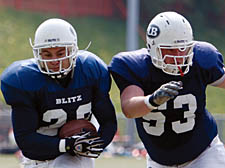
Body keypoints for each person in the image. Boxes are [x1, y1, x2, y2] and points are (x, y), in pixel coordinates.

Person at [109, 11, 225, 167]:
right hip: (159, 160)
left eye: (182, 48)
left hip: (204, 154)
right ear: (152, 47)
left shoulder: (202, 58)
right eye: (170, 50)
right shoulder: (135, 66)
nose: (178, 55)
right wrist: (152, 100)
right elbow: (129, 108)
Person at [1, 18, 117, 168]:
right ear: (38, 54)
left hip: (76, 157)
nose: (55, 60)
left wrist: (93, 145)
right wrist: (69, 144)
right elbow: (26, 140)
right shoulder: (24, 80)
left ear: (73, 50)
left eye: (61, 52)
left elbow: (108, 122)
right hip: (39, 157)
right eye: (47, 55)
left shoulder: (90, 70)